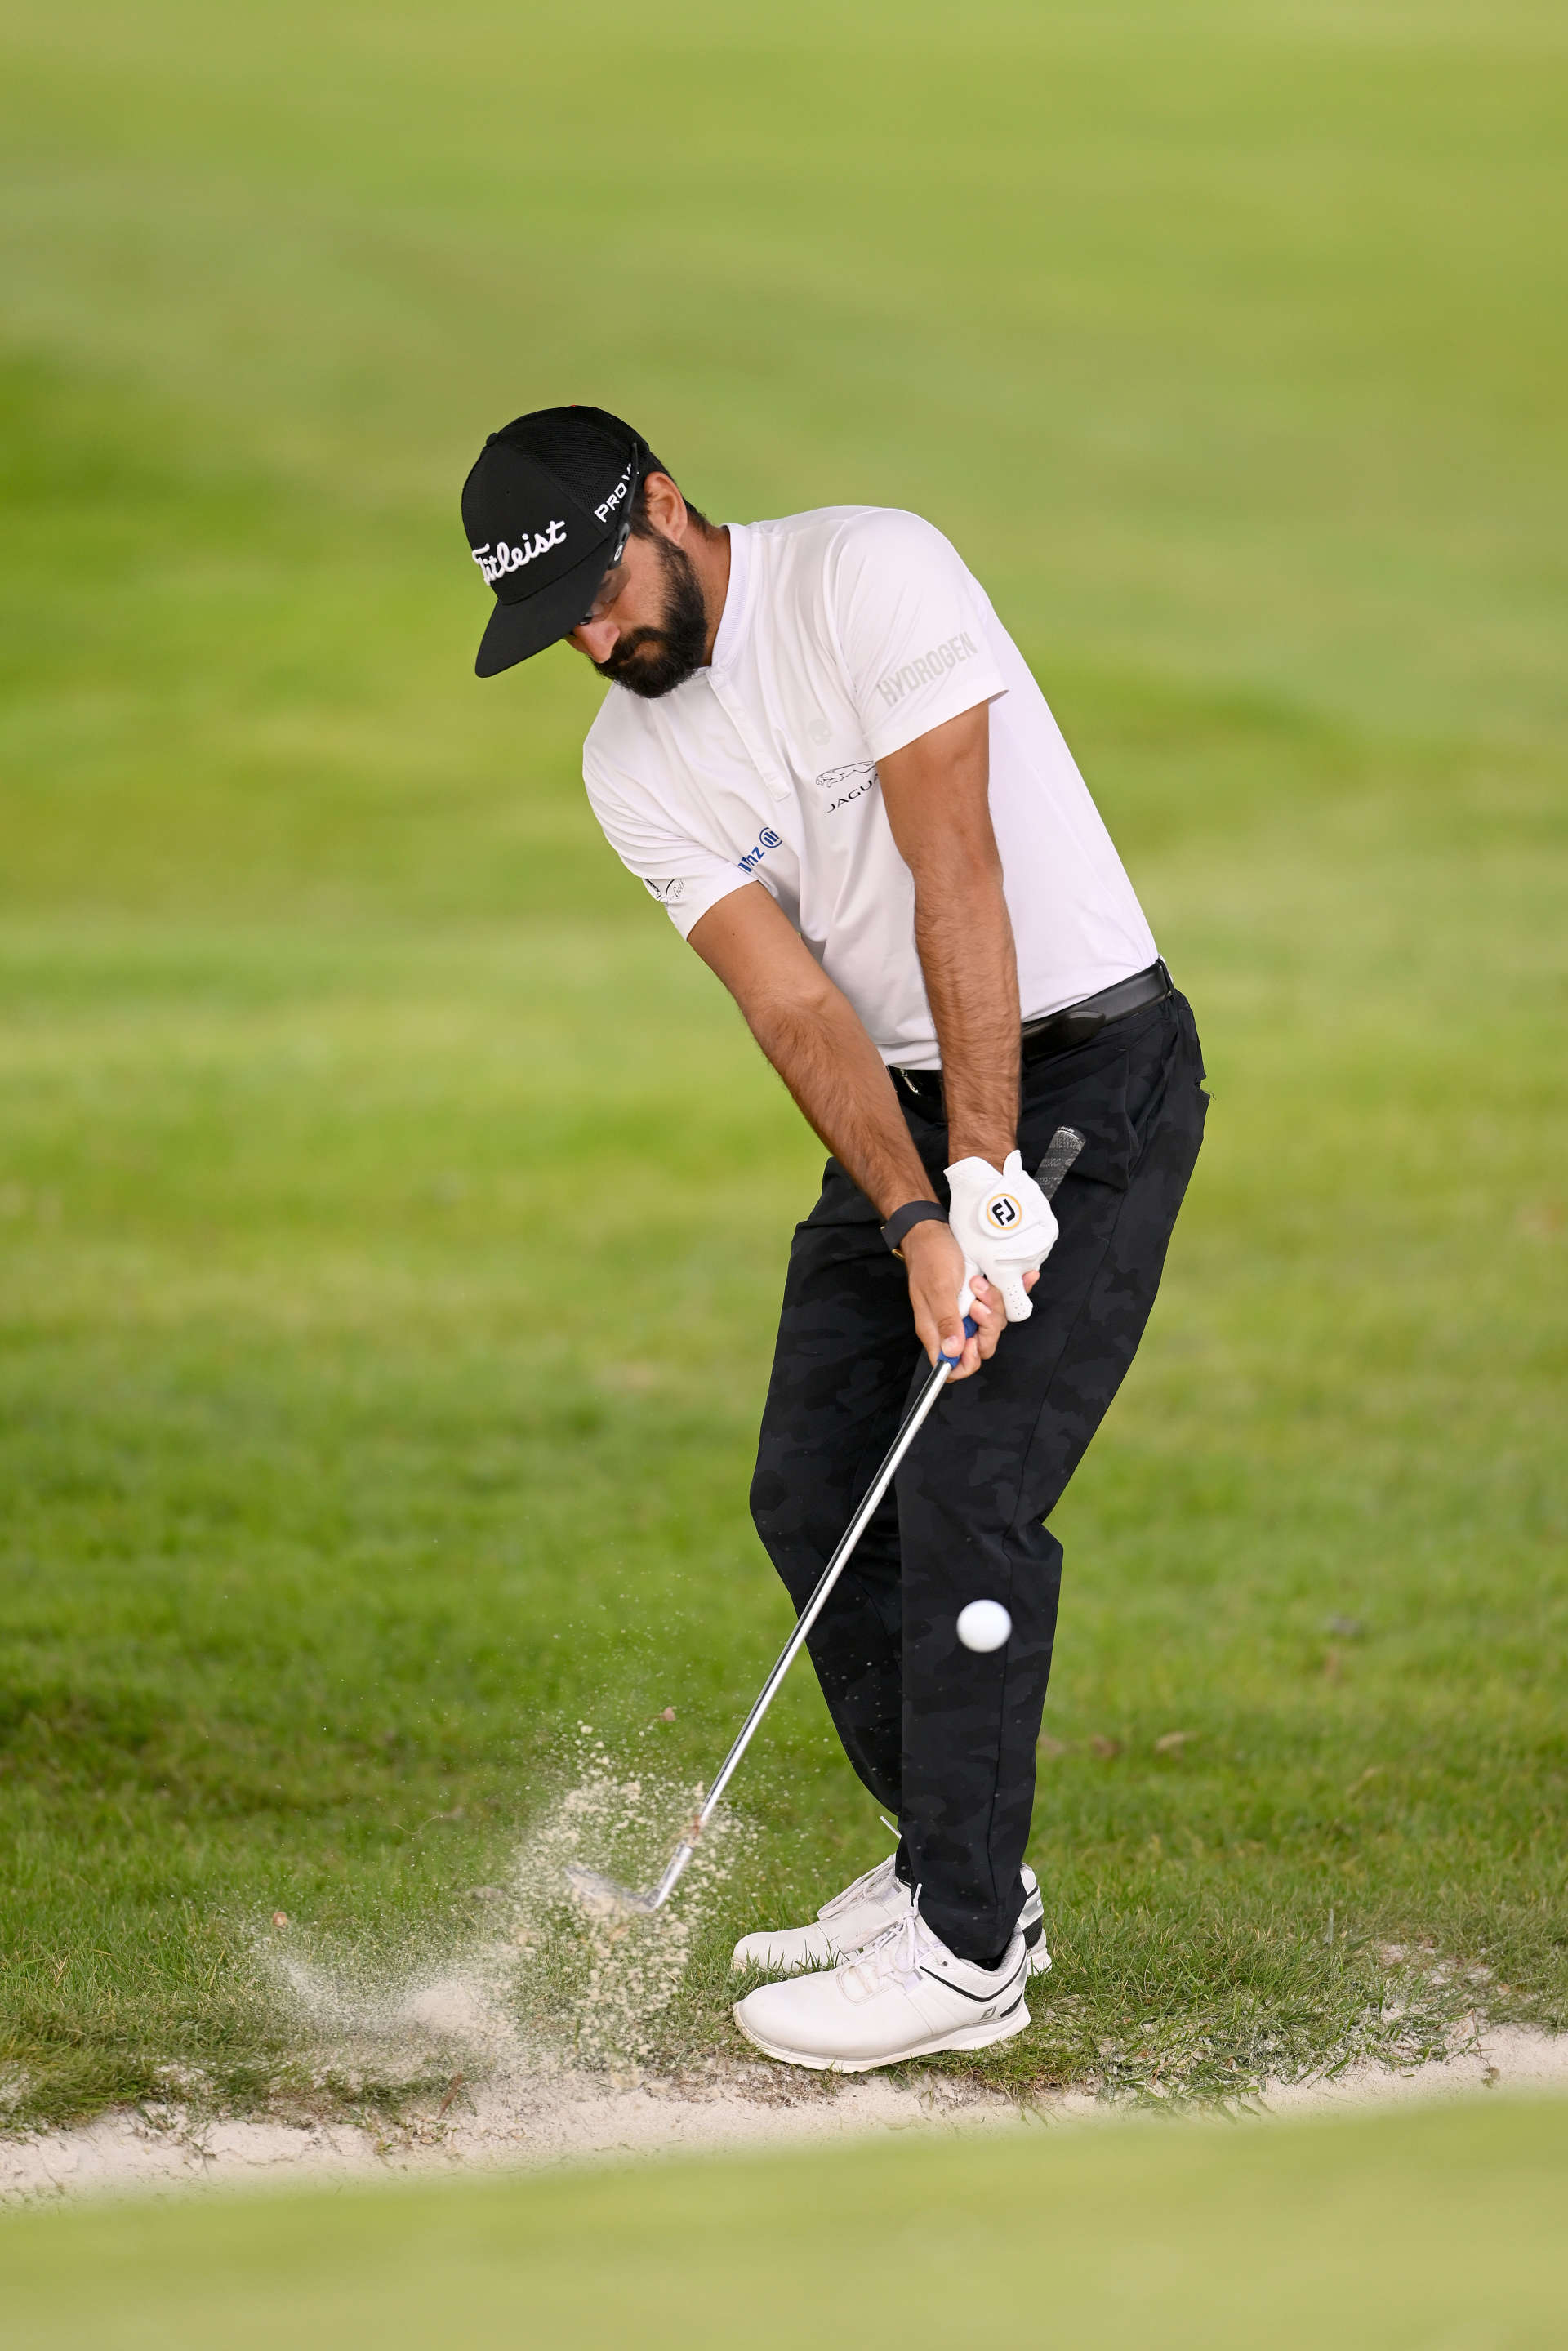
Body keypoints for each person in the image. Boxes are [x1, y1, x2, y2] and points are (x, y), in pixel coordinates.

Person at [461, 405, 1208, 2072]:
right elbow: (797, 1005)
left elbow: (961, 883)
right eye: (561, 623)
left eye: (602, 589)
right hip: (908, 1099)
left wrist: (994, 1186)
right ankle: (962, 1868)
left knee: (968, 1484)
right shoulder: (628, 760)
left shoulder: (870, 574)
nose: (597, 636)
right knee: (810, 1484)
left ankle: (961, 1961)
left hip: (1085, 1059)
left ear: (663, 503)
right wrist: (914, 1210)